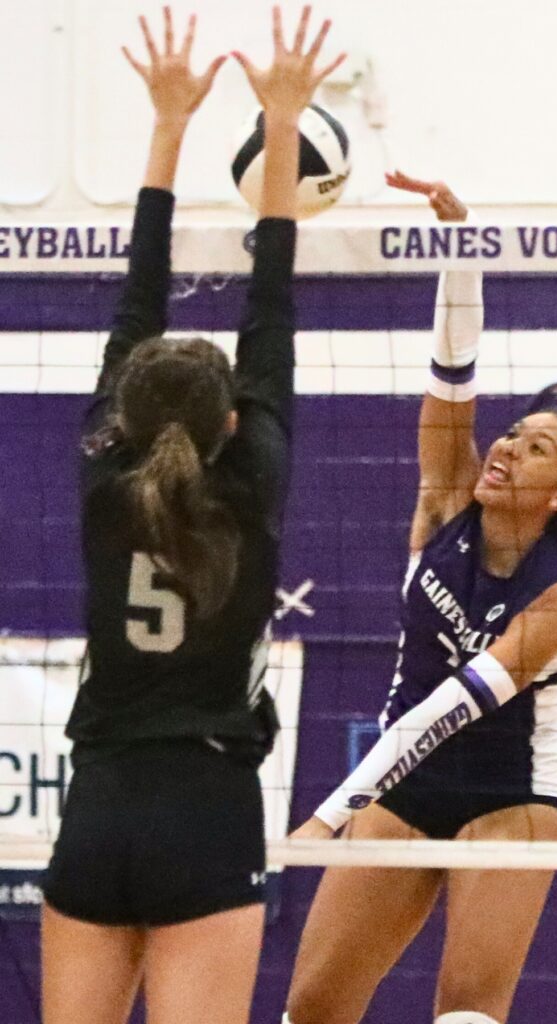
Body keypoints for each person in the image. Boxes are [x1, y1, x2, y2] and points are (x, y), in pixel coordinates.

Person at [40, 7, 344, 1024]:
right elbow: (270, 307)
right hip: (207, 807)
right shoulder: (251, 479)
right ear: (231, 420)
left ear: (121, 418)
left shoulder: (102, 476)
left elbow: (135, 307)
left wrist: (165, 129)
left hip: (99, 801)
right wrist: (283, 123)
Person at [284, 171, 557, 1024]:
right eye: (513, 433)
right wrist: (460, 254)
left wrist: (328, 815)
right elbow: (451, 376)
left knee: (465, 1013)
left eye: (534, 449)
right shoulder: (445, 500)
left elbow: (449, 709)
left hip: (512, 789)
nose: (505, 447)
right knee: (311, 1011)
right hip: (406, 778)